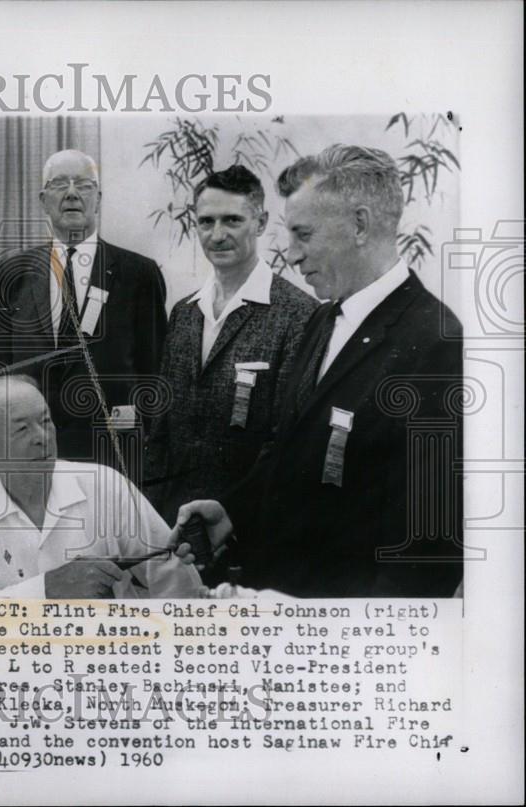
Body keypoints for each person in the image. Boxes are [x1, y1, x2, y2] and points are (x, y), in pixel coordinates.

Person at [174, 145, 464, 598]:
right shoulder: (323, 320)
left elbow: (426, 554)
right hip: (278, 600)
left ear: (360, 225)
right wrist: (231, 511)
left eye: (303, 235)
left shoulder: (438, 345)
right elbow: (290, 448)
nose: (290, 255)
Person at [144, 165, 317, 526]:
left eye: (232, 220)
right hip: (172, 519)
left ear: (260, 222)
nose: (217, 235)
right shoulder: (184, 313)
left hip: (247, 524)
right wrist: (153, 512)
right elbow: (162, 429)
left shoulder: (299, 315)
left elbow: (283, 441)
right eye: (206, 222)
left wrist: (237, 517)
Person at [0, 149, 168, 477]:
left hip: (111, 456)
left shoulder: (139, 274)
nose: (71, 193)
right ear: (43, 200)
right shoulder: (13, 274)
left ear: (98, 198)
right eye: (59, 185)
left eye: (83, 185)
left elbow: (154, 372)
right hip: (31, 454)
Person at [0, 375, 205, 599]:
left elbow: (179, 585)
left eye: (45, 421)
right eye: (22, 430)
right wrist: (47, 589)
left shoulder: (105, 487)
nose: (42, 438)